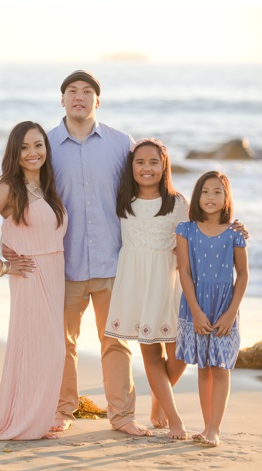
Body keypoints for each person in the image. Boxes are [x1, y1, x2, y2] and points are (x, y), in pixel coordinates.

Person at [2, 70, 151, 436]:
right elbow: (20, 196)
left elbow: (148, 190)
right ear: (62, 99)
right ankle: (62, 409)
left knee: (116, 342)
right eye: (72, 91)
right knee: (61, 343)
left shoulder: (121, 144)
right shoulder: (45, 146)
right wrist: (8, 246)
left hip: (112, 261)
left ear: (98, 100)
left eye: (87, 91)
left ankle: (122, 417)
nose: (79, 96)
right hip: (61, 265)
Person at [0, 121, 66, 440]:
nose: (32, 153)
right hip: (30, 277)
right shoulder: (10, 187)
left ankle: (37, 414)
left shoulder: (47, 188)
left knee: (51, 350)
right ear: (14, 152)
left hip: (54, 273)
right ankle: (25, 419)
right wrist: (3, 265)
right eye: (24, 147)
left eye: (37, 145)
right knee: (38, 348)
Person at [104, 138, 189, 440]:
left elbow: (192, 243)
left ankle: (158, 397)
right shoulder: (123, 200)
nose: (146, 168)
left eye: (153, 162)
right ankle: (174, 417)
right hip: (136, 284)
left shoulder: (177, 203)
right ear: (131, 166)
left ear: (164, 165)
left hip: (168, 283)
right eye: (139, 162)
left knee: (180, 353)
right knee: (151, 355)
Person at [176, 171, 249, 447]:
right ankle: (206, 427)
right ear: (197, 196)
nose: (210, 197)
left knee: (221, 367)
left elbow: (242, 275)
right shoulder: (185, 230)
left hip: (224, 306)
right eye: (205, 191)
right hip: (196, 305)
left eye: (218, 191)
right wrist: (195, 311)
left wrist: (230, 313)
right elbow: (183, 271)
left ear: (226, 197)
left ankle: (215, 429)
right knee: (203, 368)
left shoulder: (235, 233)